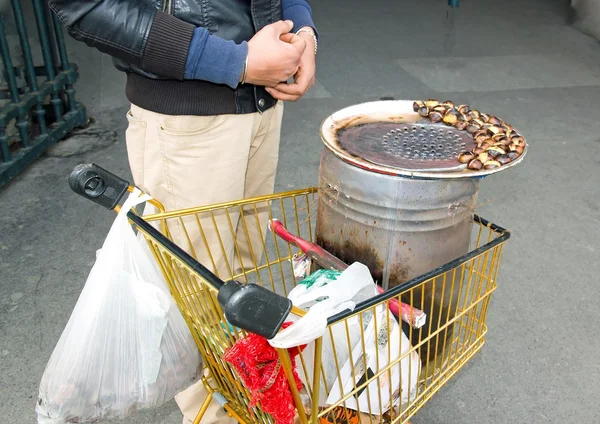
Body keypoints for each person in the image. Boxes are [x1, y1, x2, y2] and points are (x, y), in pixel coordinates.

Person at [48, 0, 318, 422]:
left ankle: (246, 400)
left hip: (262, 103)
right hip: (188, 113)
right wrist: (238, 61)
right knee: (195, 296)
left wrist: (304, 34)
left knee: (233, 284)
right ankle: (215, 415)